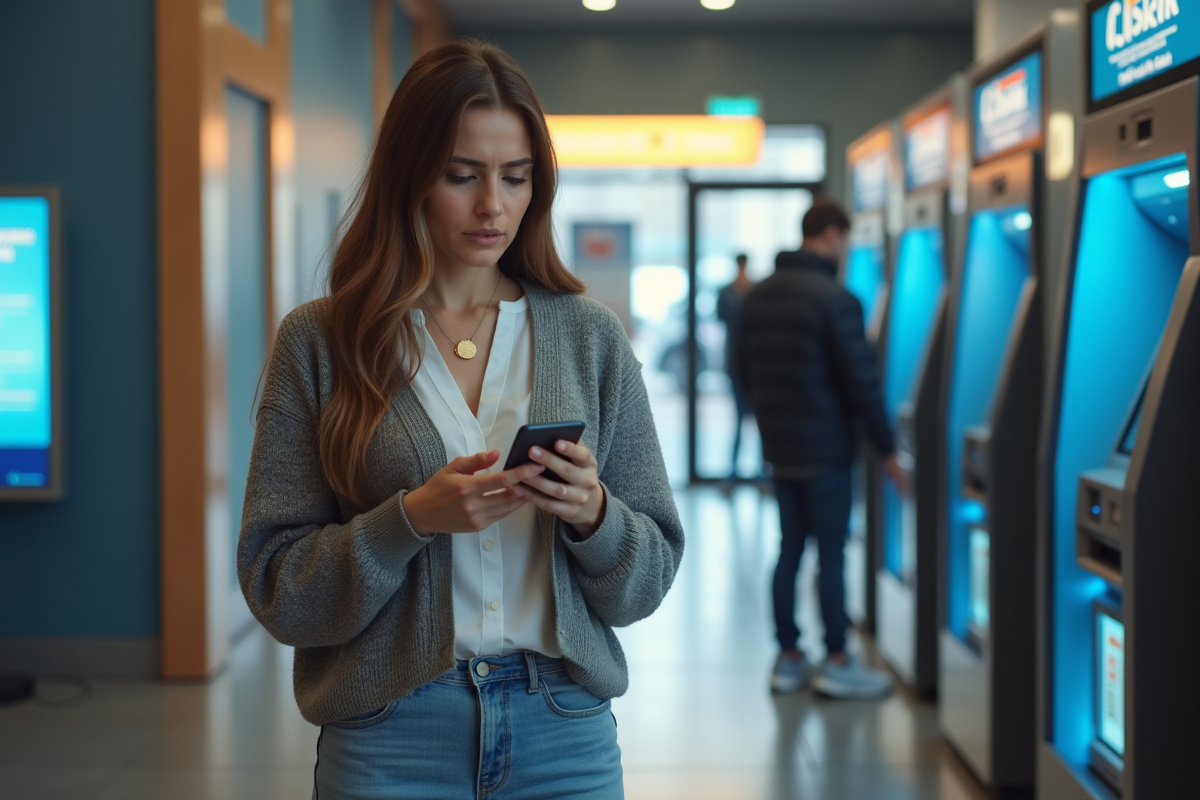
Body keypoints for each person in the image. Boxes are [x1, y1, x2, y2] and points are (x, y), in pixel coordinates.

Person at [238, 41, 684, 799]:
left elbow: (649, 577)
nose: (493, 206)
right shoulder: (320, 342)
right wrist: (408, 519)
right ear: (409, 176)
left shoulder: (588, 335)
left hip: (563, 730)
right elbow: (277, 585)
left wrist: (593, 513)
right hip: (390, 736)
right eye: (462, 176)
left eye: (516, 178)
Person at [737, 200, 907, 699]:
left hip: (780, 449)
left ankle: (788, 658)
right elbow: (862, 383)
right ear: (833, 235)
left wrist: (767, 426)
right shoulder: (837, 299)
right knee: (830, 552)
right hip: (828, 450)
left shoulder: (759, 296)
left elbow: (743, 370)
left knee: (789, 548)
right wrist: (888, 448)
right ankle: (837, 658)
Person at [715, 254, 756, 481]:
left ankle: (762, 474)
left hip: (755, 364)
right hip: (735, 362)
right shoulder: (727, 291)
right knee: (739, 420)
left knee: (758, 423)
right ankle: (733, 473)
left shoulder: (756, 289)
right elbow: (720, 316)